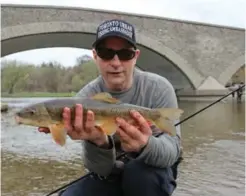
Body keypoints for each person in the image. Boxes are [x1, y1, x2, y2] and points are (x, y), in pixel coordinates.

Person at [39, 19, 182, 196]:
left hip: (151, 171)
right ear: (95, 56)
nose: (115, 62)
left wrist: (145, 145)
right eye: (106, 53)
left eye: (125, 54)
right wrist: (98, 141)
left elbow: (172, 153)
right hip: (110, 172)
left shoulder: (159, 88)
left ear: (136, 56)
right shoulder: (84, 98)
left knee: (140, 175)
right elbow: (99, 169)